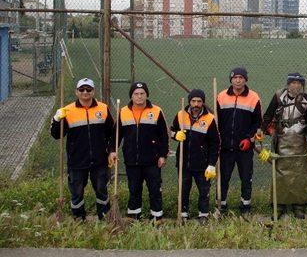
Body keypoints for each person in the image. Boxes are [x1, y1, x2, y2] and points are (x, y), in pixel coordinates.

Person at [50, 78, 114, 220]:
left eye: (88, 89)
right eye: (82, 90)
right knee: (77, 192)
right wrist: (56, 119)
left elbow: (112, 133)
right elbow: (56, 135)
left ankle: (104, 217)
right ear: (77, 92)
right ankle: (79, 219)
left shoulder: (103, 108)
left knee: (101, 190)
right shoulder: (67, 111)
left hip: (99, 160)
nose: (85, 92)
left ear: (93, 92)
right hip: (77, 161)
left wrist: (111, 150)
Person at [111, 82, 168, 221]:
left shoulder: (156, 111)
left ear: (147, 95)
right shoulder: (123, 112)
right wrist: (112, 151)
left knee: (155, 190)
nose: (139, 96)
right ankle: (134, 217)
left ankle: (156, 218)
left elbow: (163, 136)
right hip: (132, 160)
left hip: (152, 160)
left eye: (142, 93)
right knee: (134, 189)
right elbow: (116, 135)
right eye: (136, 94)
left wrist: (162, 155)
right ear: (131, 96)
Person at [262, 73, 307, 219]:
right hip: (281, 140)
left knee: (300, 174)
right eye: (293, 83)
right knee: (280, 173)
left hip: (300, 141)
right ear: (288, 84)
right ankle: (279, 205)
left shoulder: (306, 100)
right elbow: (268, 115)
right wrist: (261, 130)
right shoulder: (278, 96)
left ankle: (299, 206)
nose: (296, 85)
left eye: (299, 83)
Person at [216, 67, 262, 215]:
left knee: (246, 178)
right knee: (223, 177)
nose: (238, 80)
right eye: (235, 77)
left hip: (244, 148)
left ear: (245, 80)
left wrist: (250, 139)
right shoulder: (221, 96)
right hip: (225, 147)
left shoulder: (254, 97)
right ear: (231, 80)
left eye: (241, 78)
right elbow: (216, 121)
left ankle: (245, 206)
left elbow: (257, 123)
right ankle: (221, 205)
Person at [171, 89, 220, 222]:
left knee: (204, 191)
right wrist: (175, 135)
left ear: (203, 103)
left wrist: (211, 164)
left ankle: (203, 214)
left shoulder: (210, 119)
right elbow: (171, 131)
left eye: (199, 101)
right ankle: (183, 214)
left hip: (202, 163)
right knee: (184, 189)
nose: (196, 104)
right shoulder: (181, 114)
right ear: (189, 102)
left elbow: (215, 143)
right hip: (184, 162)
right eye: (193, 101)